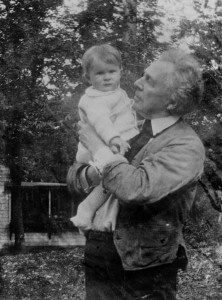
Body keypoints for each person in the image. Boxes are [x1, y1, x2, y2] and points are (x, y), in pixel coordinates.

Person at [67, 48, 205, 300]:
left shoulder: (186, 146)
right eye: (142, 75)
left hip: (143, 270)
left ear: (172, 101)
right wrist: (93, 172)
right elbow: (75, 177)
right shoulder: (131, 129)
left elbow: (135, 189)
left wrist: (97, 146)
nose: (137, 83)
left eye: (149, 81)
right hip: (100, 251)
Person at [71, 44, 139, 232]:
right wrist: (113, 138)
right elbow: (101, 122)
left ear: (120, 71)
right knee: (113, 174)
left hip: (113, 143)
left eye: (112, 71)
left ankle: (102, 219)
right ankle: (86, 209)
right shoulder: (94, 99)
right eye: (100, 73)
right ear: (88, 77)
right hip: (102, 145)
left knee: (114, 179)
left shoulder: (112, 93)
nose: (107, 77)